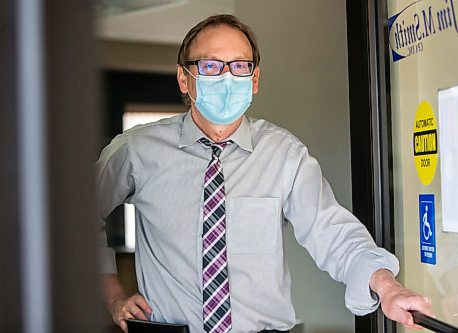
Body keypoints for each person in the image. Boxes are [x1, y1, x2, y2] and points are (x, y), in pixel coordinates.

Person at [98, 14, 432, 333]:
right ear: (184, 78)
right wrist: (113, 296)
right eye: (211, 66)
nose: (227, 78)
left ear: (254, 79)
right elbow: (71, 216)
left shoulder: (284, 155)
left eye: (240, 66)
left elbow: (332, 232)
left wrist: (388, 288)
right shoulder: (137, 150)